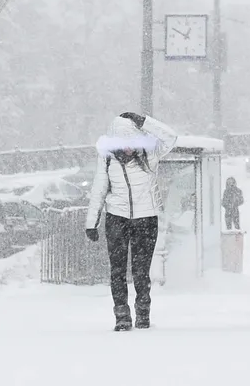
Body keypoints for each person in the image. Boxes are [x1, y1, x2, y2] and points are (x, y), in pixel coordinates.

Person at [84, 110, 179, 332]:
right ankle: (122, 316)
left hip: (146, 219)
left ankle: (143, 314)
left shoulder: (151, 154)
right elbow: (99, 188)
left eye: (132, 141)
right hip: (117, 218)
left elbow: (171, 137)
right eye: (122, 142)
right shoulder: (107, 159)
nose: (127, 147)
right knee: (117, 270)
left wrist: (145, 122)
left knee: (141, 270)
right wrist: (92, 222)